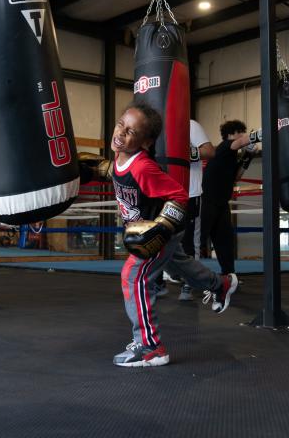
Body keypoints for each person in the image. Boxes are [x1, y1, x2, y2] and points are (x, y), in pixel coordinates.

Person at [86, 102, 237, 368]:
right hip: (162, 232)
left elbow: (178, 195)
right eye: (121, 124)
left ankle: (150, 347)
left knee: (133, 277)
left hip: (161, 230)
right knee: (180, 267)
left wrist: (162, 227)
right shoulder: (122, 158)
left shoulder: (143, 167)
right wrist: (82, 170)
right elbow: (113, 171)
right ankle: (220, 285)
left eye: (131, 131)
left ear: (145, 142)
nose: (121, 133)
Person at [155, 119, 215, 300]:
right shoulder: (154, 127)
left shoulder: (190, 125)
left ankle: (189, 284)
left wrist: (182, 153)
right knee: (156, 238)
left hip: (190, 193)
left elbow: (210, 151)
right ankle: (157, 283)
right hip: (162, 194)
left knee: (189, 241)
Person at [201, 120, 258, 276]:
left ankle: (229, 275)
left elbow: (237, 176)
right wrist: (260, 134)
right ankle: (179, 274)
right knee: (197, 240)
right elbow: (239, 142)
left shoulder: (231, 156)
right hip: (207, 201)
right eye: (239, 132)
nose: (242, 135)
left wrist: (248, 156)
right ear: (230, 135)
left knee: (225, 240)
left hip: (221, 203)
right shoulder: (224, 147)